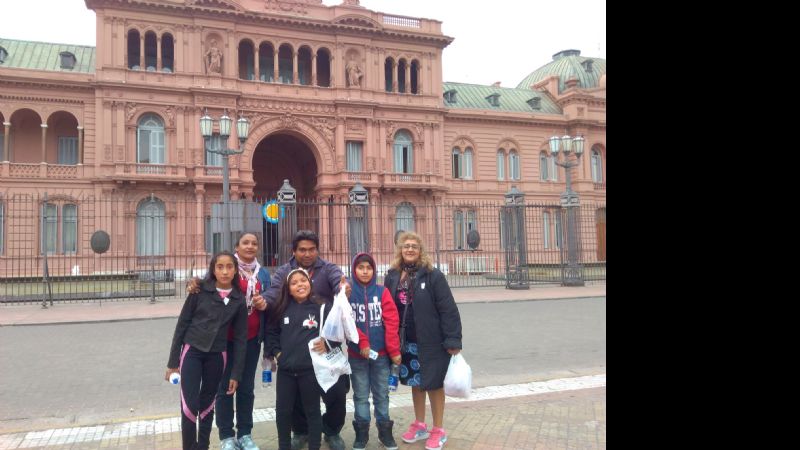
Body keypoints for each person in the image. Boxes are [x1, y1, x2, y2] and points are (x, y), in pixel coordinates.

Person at [263, 230, 350, 450]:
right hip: (296, 351)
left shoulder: (328, 268)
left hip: (325, 341)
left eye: (312, 249)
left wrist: (343, 289)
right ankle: (301, 431)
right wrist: (263, 301)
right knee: (296, 399)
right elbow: (273, 294)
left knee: (337, 391)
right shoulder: (284, 271)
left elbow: (339, 282)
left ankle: (331, 430)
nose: (307, 253)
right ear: (294, 251)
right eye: (302, 250)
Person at [187, 233, 271, 450]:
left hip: (251, 339)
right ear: (237, 247)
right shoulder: (229, 267)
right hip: (222, 340)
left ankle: (245, 434)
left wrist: (265, 302)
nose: (250, 246)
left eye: (254, 243)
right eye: (245, 243)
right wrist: (195, 283)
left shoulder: (263, 274)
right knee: (224, 387)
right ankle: (226, 436)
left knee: (246, 387)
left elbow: (271, 297)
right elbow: (207, 284)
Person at [383, 231, 462, 450]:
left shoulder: (433, 275)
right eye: (406, 246)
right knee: (416, 383)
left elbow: (448, 309)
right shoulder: (392, 275)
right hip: (406, 341)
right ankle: (419, 424)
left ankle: (438, 429)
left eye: (414, 246)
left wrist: (453, 339)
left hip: (431, 341)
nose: (409, 249)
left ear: (420, 251)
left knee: (434, 384)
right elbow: (386, 308)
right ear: (400, 250)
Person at [166, 251, 248, 450]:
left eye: (229, 267)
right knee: (189, 405)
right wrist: (173, 363)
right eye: (220, 267)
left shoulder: (238, 299)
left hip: (217, 355)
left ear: (235, 270)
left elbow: (240, 340)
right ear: (213, 269)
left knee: (207, 404)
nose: (225, 271)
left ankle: (203, 445)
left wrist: (236, 374)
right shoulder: (199, 290)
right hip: (192, 351)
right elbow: (182, 325)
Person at [264, 268, 335, 450]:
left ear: (310, 283)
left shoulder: (321, 307)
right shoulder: (281, 308)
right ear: (288, 289)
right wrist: (278, 354)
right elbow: (271, 333)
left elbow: (335, 331)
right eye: (294, 283)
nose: (299, 285)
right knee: (283, 412)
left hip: (310, 371)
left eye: (303, 280)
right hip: (286, 372)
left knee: (312, 411)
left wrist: (328, 344)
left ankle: (314, 446)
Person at [347, 253, 401, 450]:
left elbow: (392, 321)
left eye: (368, 268)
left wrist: (394, 350)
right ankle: (361, 434)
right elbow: (346, 322)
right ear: (354, 270)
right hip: (356, 356)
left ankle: (385, 433)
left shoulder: (382, 292)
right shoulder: (348, 292)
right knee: (361, 396)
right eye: (360, 267)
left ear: (374, 270)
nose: (365, 271)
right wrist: (361, 342)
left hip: (382, 356)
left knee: (382, 395)